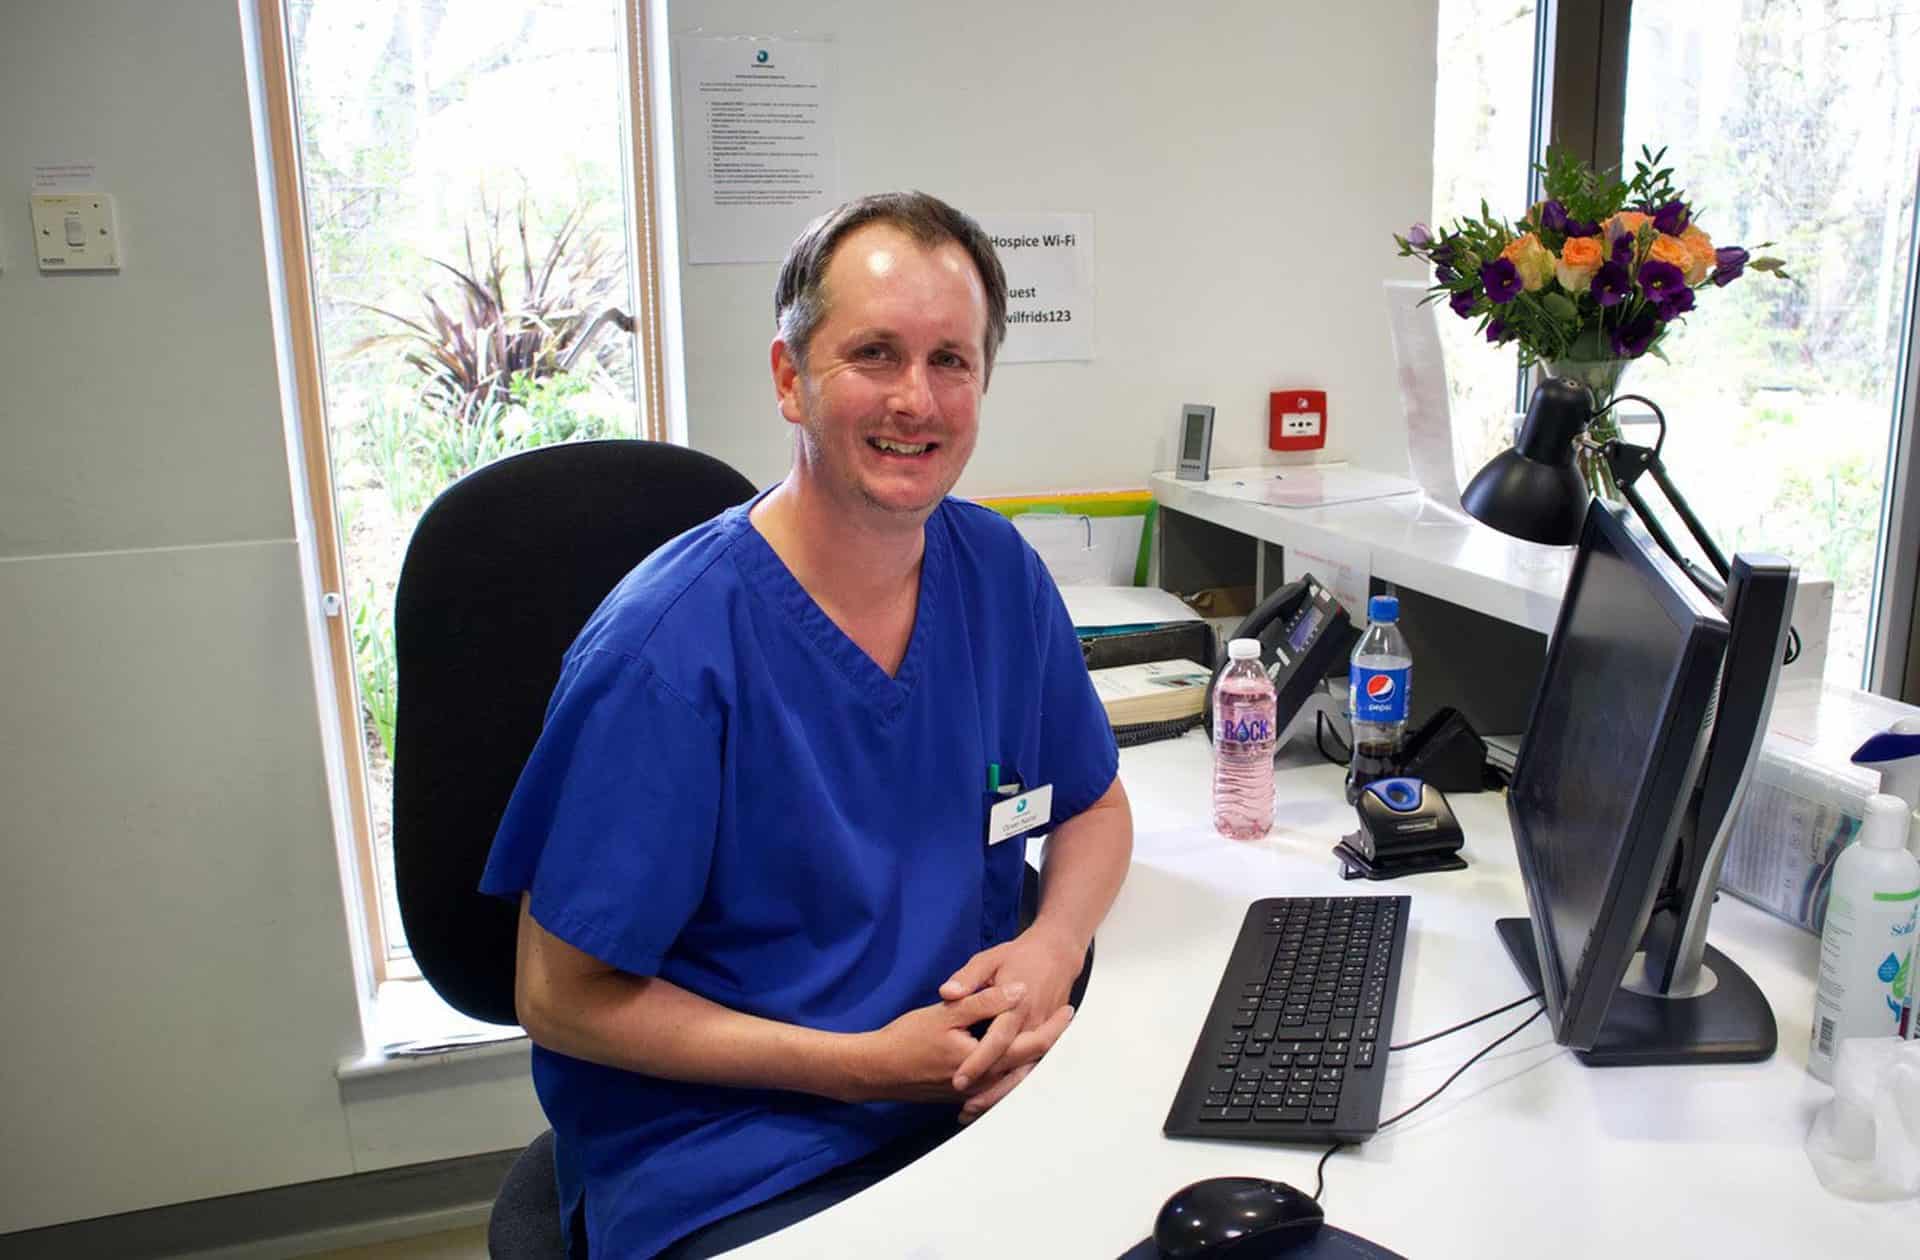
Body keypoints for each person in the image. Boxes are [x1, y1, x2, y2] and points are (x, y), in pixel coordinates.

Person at [479, 190, 1133, 1258]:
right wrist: (863, 1066)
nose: (915, 400)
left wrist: (1050, 952)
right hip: (735, 1154)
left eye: (951, 361)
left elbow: (1095, 802)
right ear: (790, 378)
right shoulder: (665, 653)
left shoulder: (998, 574)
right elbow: (558, 997)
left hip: (961, 1095)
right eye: (874, 354)